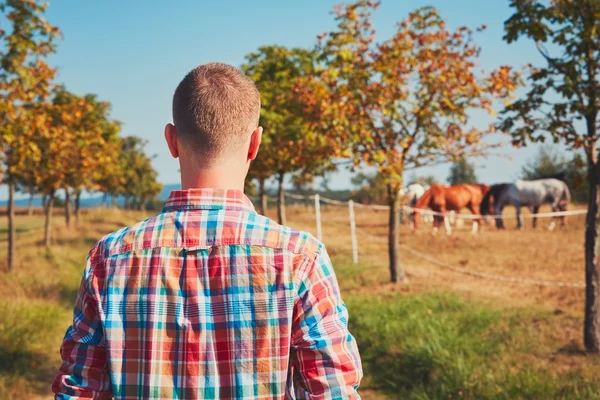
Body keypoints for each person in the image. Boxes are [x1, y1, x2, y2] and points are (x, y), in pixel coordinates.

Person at [52, 62, 362, 399]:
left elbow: (78, 390)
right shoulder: (301, 258)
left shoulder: (108, 258)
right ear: (254, 144)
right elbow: (332, 391)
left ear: (171, 140)